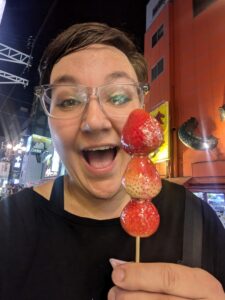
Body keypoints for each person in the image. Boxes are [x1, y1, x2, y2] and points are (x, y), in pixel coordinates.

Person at [0, 22, 224, 300]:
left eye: (118, 96)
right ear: (49, 120)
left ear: (142, 106)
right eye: (69, 101)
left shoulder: (198, 220)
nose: (94, 121)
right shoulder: (8, 229)